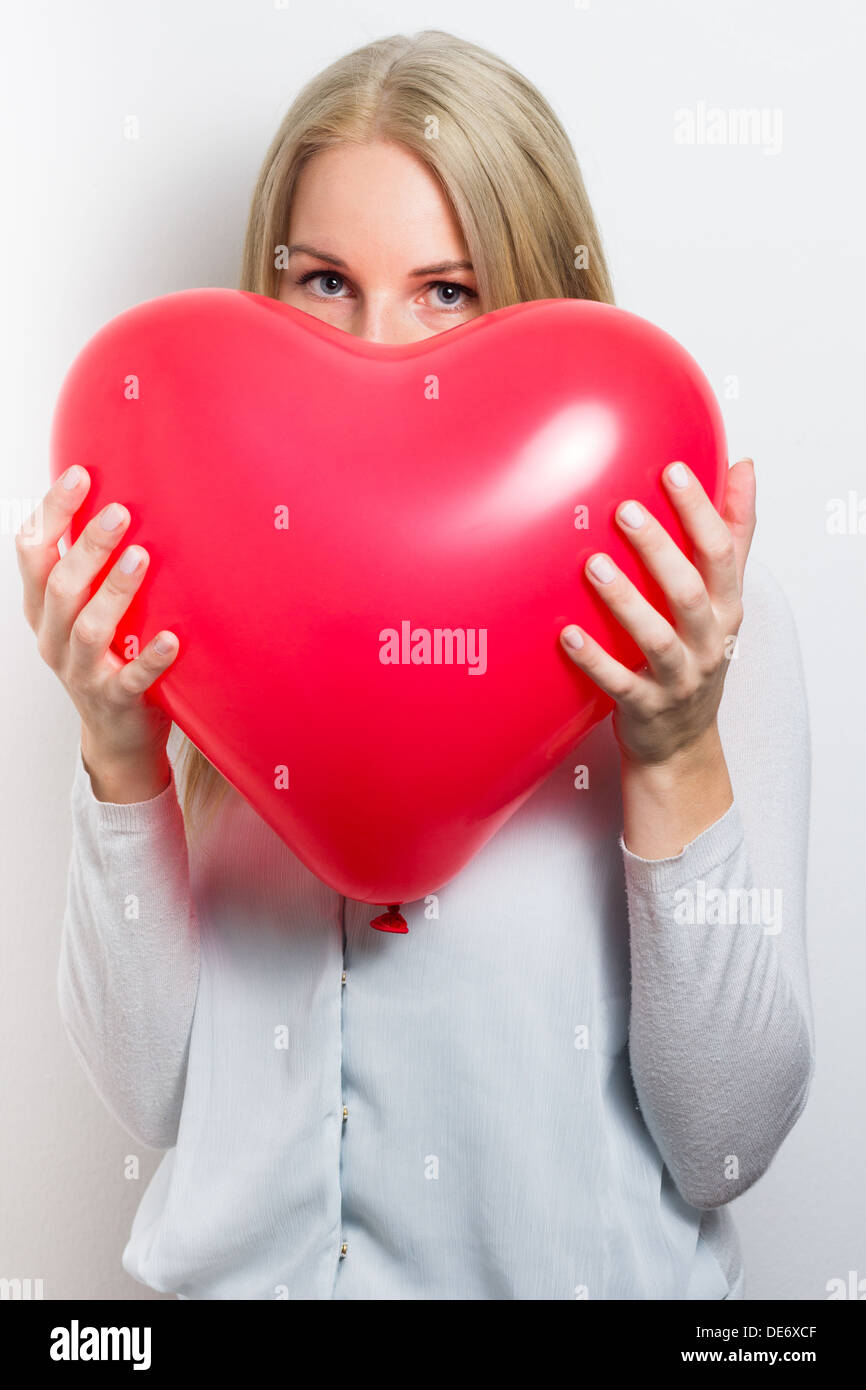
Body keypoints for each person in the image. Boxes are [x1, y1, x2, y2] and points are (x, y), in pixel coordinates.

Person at [17, 30, 814, 1300]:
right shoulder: (192, 593)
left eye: (447, 289)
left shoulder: (692, 623)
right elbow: (156, 1097)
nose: (379, 347)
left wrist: (675, 749)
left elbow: (725, 1145)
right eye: (326, 280)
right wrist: (120, 756)